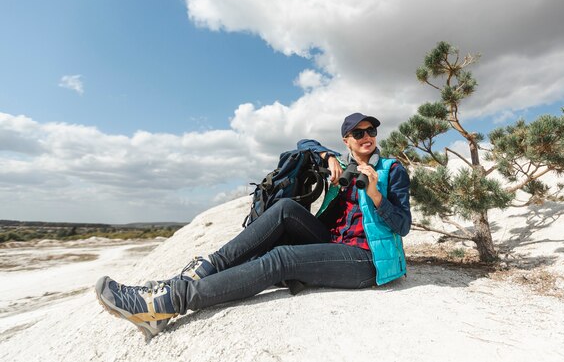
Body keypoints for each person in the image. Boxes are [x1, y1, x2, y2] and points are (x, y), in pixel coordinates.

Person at [95, 112, 412, 339]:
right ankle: (202, 270)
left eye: (371, 131)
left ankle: (167, 302)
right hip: (333, 241)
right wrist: (326, 155)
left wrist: (375, 195)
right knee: (285, 207)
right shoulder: (341, 167)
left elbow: (403, 226)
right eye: (359, 133)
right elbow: (303, 142)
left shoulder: (390, 170)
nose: (367, 136)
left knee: (280, 258)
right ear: (347, 140)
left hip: (366, 258)